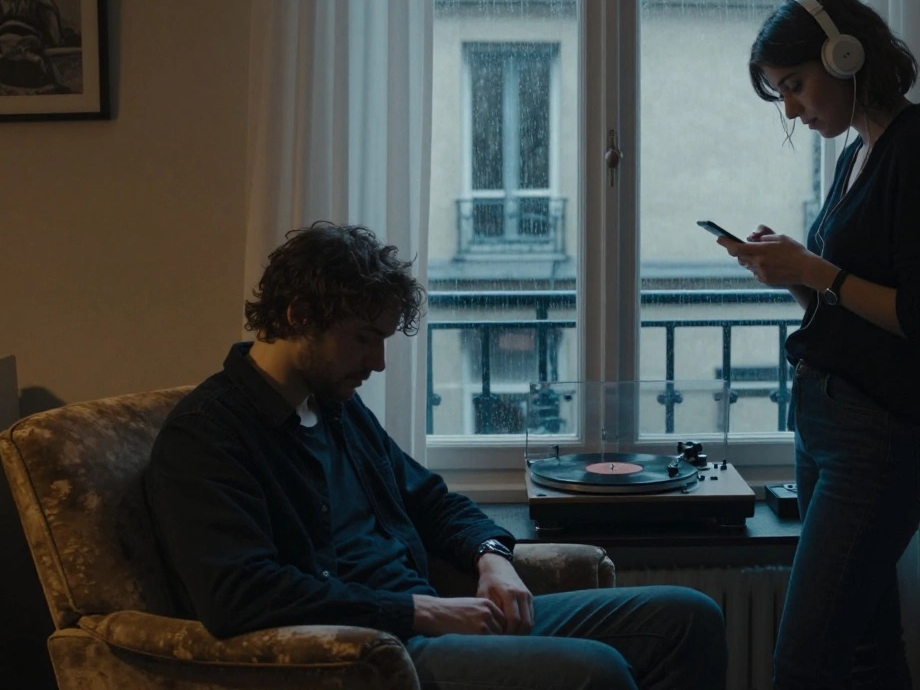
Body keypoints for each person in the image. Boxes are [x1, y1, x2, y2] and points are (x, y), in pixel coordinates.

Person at [143, 221, 728, 690]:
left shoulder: (336, 408)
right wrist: (421, 612)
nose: (378, 363)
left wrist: (493, 557)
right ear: (299, 317)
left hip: (436, 619)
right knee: (597, 672)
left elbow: (432, 499)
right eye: (364, 337)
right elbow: (240, 595)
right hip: (374, 651)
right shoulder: (206, 437)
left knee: (689, 616)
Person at [720, 0, 920, 690]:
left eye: (796, 86)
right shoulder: (857, 156)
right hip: (831, 423)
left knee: (804, 660)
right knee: (866, 646)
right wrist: (794, 275)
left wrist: (815, 267)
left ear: (846, 54)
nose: (794, 110)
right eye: (782, 95)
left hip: (882, 435)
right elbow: (850, 303)